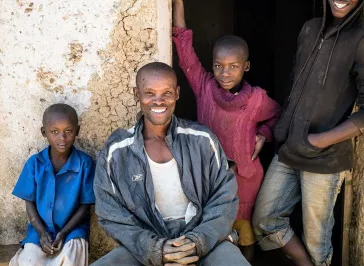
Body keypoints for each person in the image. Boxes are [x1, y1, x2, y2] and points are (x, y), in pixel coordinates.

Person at [91, 62, 250, 266]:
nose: (159, 101)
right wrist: (155, 249)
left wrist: (196, 242)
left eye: (166, 93)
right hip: (145, 246)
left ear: (177, 93)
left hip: (204, 240)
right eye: (149, 93)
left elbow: (224, 199)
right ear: (136, 94)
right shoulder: (117, 151)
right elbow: (110, 212)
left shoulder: (202, 140)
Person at [253, 1, 364, 265]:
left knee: (317, 242)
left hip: (325, 157)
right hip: (291, 147)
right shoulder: (310, 29)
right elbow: (294, 82)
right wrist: (283, 130)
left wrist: (318, 140)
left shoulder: (360, 38)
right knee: (264, 219)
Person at [172, 0, 281, 260]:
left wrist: (263, 135)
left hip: (244, 179)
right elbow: (185, 51)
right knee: (209, 230)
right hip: (207, 176)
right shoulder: (205, 87)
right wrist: (177, 3)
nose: (224, 72)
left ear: (246, 66)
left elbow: (279, 115)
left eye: (233, 66)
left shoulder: (256, 99)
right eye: (219, 65)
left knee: (244, 231)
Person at [10, 103, 95, 266]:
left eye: (68, 131)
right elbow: (30, 203)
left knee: (71, 257)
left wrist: (63, 233)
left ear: (77, 131)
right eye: (54, 132)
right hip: (40, 230)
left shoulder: (85, 164)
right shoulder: (35, 164)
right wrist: (42, 233)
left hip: (72, 230)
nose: (62, 138)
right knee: (29, 260)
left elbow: (85, 208)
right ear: (44, 132)